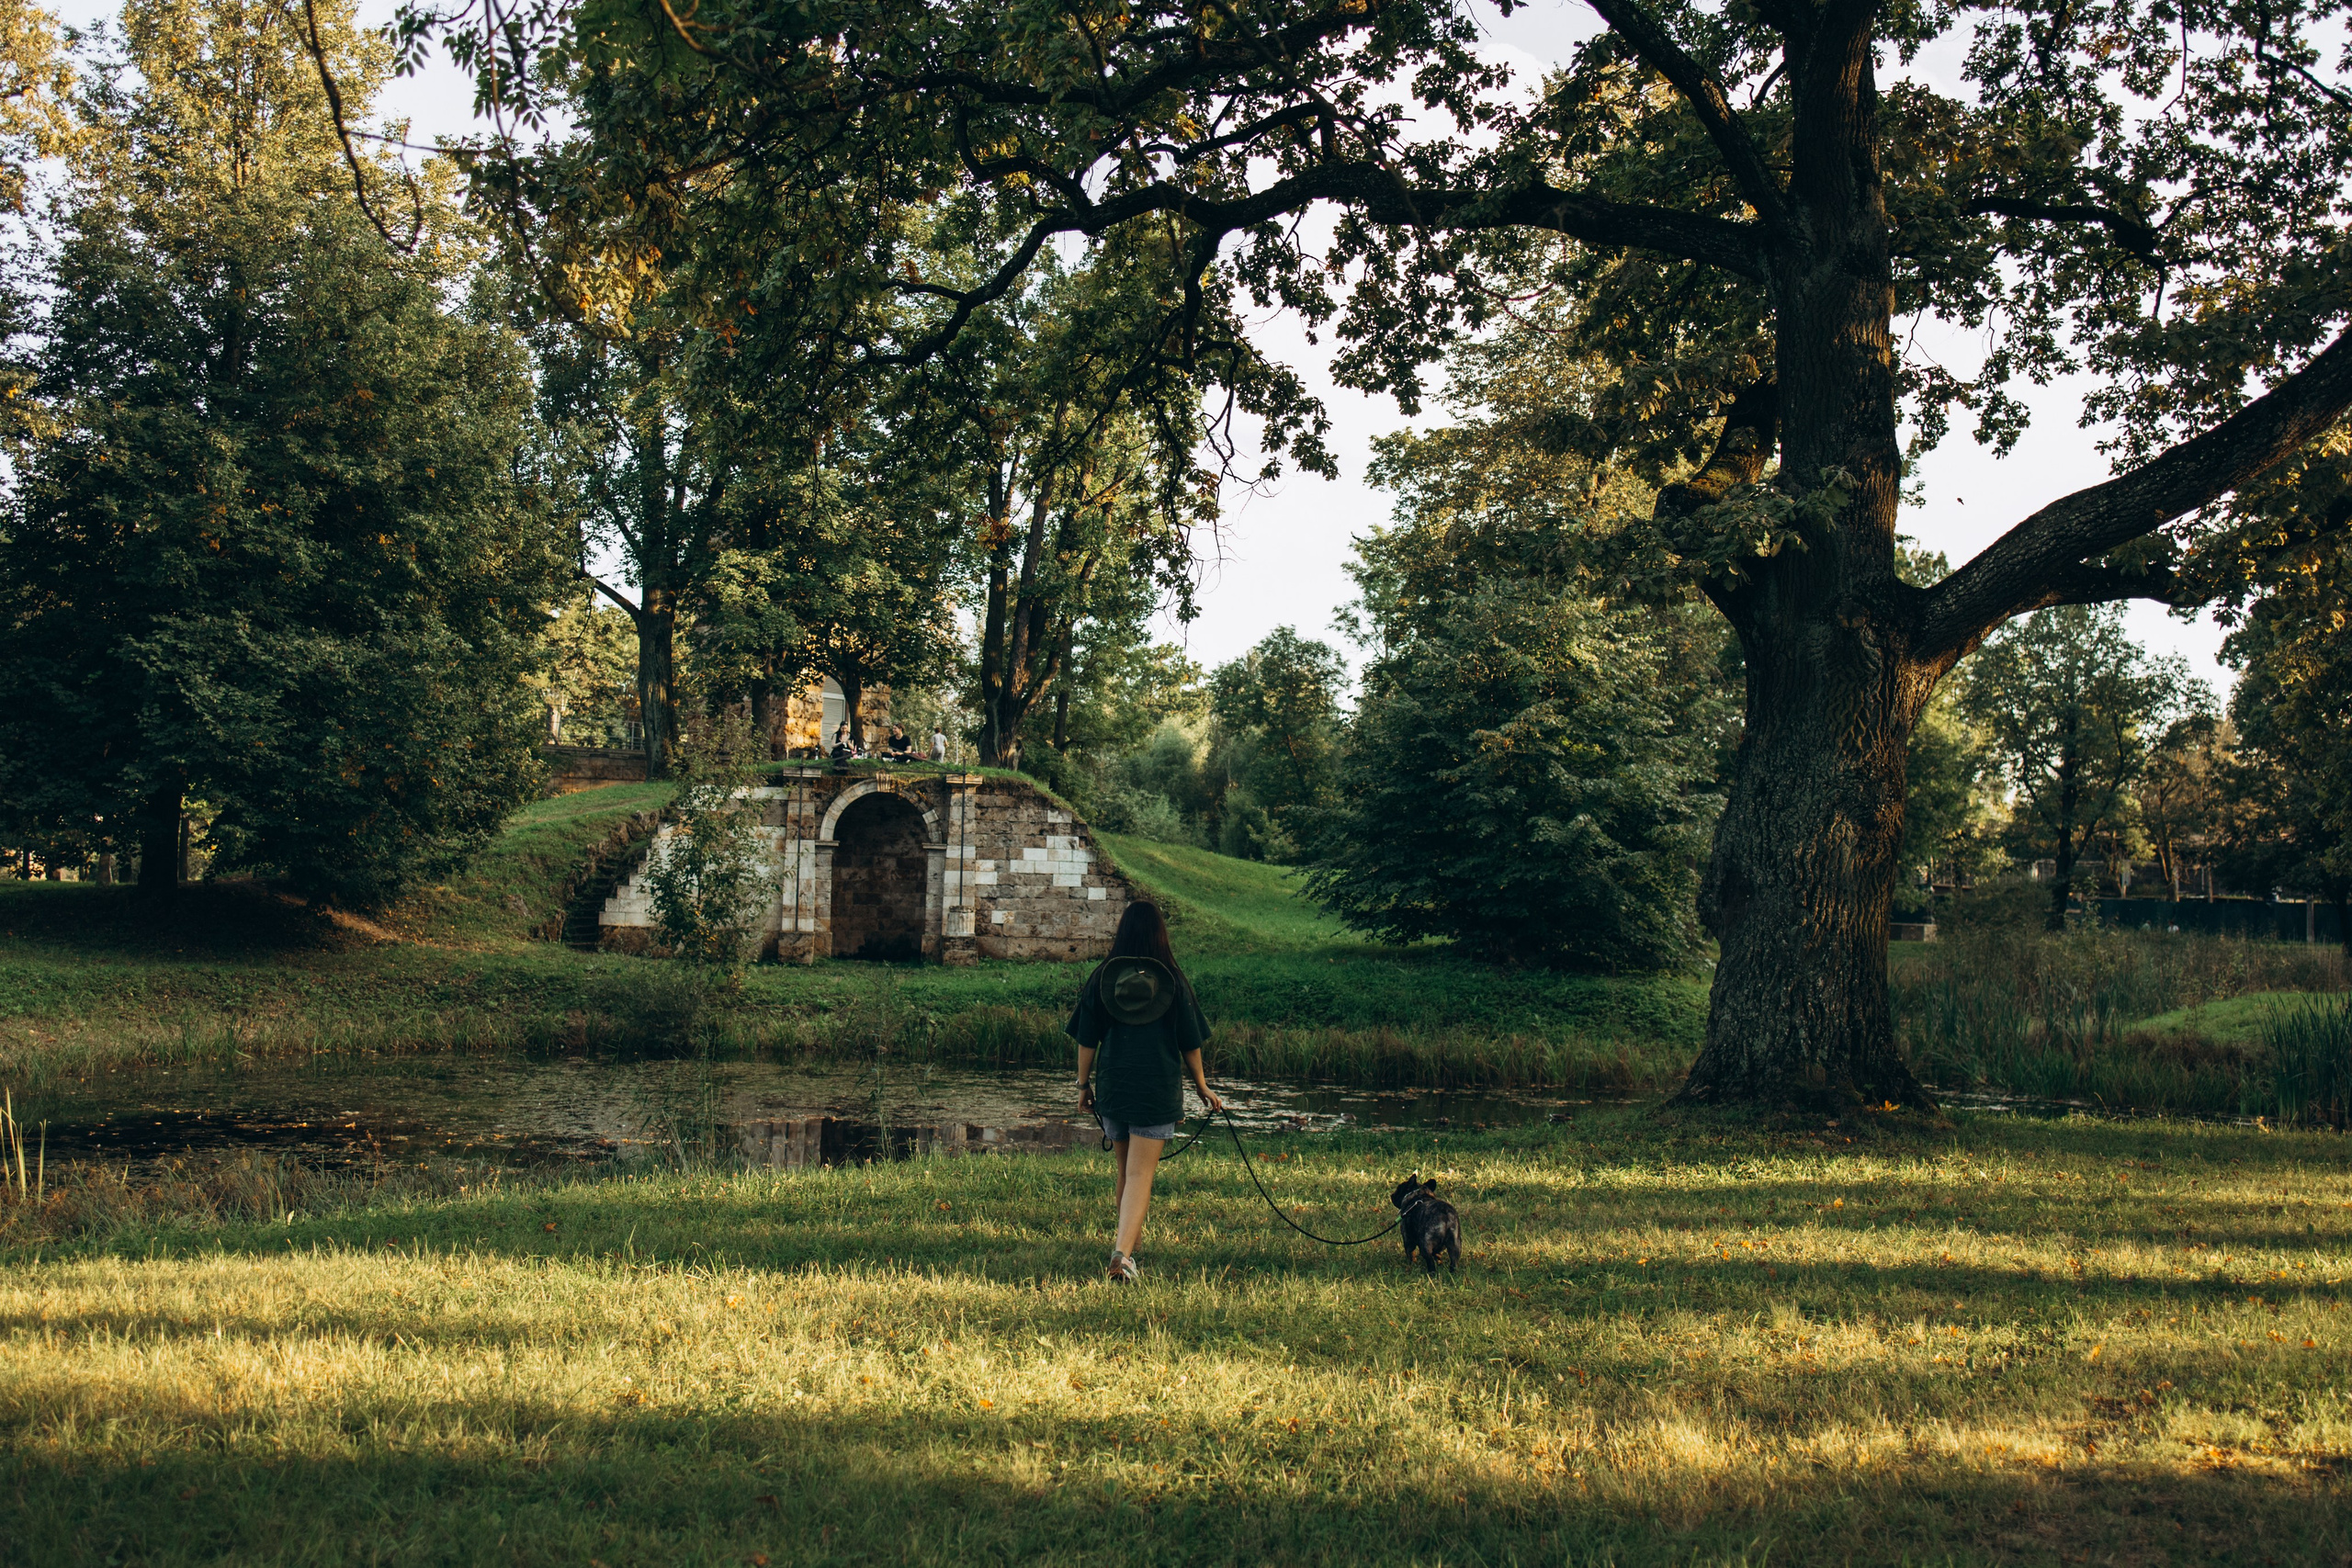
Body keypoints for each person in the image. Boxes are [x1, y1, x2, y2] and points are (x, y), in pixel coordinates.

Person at [1068, 901, 1222, 1282]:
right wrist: (1201, 1084)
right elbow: (1190, 1042)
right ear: (1160, 934)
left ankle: (1127, 1246)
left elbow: (1087, 1040)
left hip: (1116, 1087)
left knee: (1125, 1170)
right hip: (1156, 1089)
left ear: (1122, 932)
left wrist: (1083, 1085)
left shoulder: (1104, 977)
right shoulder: (1172, 979)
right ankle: (1122, 1254)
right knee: (1140, 1175)